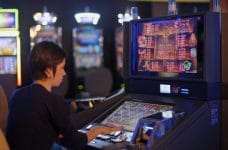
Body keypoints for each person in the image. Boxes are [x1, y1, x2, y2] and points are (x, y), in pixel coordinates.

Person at [6, 41, 121, 150]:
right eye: (61, 68)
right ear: (49, 71)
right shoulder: (54, 101)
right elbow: (76, 142)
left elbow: (39, 133)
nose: (64, 73)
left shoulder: (17, 95)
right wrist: (99, 130)